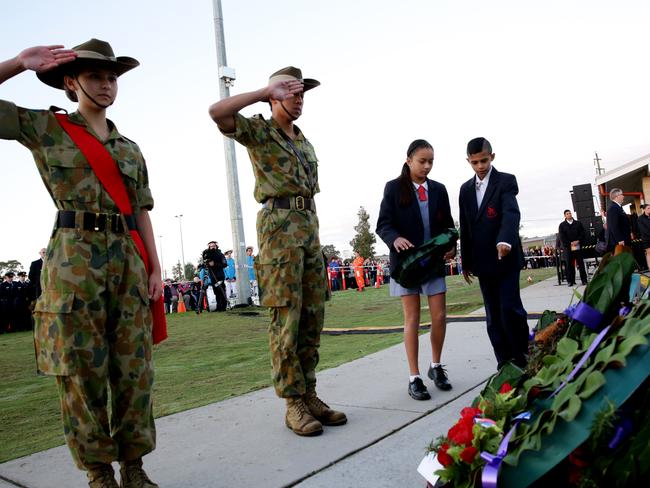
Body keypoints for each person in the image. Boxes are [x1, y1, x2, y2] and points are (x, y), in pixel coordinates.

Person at [0, 40, 163, 487]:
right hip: (73, 264)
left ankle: (134, 468)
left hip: (128, 261)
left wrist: (155, 268)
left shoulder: (129, 148)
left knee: (134, 371)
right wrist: (17, 63)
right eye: (95, 76)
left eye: (112, 77)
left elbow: (141, 210)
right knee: (80, 374)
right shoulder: (47, 129)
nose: (106, 84)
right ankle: (99, 474)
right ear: (71, 83)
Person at [209, 66, 346, 436]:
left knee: (311, 318)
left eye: (302, 94)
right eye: (291, 93)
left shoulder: (304, 141)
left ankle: (310, 392)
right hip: (278, 231)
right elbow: (218, 113)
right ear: (274, 97)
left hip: (309, 230)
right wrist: (261, 91)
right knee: (286, 318)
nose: (298, 100)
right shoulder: (259, 131)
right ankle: (293, 403)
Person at [376, 139, 455, 400]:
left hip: (432, 264)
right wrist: (395, 238)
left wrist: (451, 246)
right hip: (406, 266)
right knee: (412, 319)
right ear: (408, 160)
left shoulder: (440, 190)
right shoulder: (393, 188)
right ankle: (414, 377)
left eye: (431, 161)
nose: (427, 166)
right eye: (422, 161)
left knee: (440, 317)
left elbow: (448, 227)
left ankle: (436, 366)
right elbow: (383, 224)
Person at [458, 137, 528, 369]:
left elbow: (511, 213)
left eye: (484, 160)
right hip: (483, 262)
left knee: (510, 308)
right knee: (493, 315)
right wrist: (466, 261)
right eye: (475, 162)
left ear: (492, 157)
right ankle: (503, 362)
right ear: (468, 161)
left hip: (506, 259)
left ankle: (522, 356)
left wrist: (505, 240)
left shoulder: (506, 181)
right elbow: (466, 227)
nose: (480, 166)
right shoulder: (465, 190)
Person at [558, 209, 588, 286]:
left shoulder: (578, 223)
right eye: (567, 214)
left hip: (577, 246)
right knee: (569, 265)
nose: (569, 214)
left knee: (580, 264)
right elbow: (562, 237)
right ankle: (570, 281)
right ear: (565, 216)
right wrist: (570, 243)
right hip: (568, 248)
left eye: (570, 213)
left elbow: (583, 233)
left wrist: (578, 241)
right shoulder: (562, 225)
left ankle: (584, 280)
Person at [639, 204, 650, 270]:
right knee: (649, 253)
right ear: (644, 209)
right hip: (647, 239)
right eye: (648, 208)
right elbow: (643, 230)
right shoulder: (640, 219)